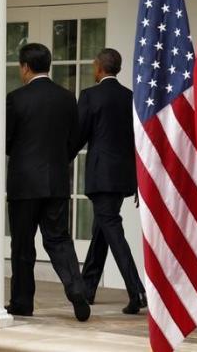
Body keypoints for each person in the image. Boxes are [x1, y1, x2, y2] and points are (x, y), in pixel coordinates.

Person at [5, 43, 90, 322]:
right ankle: (76, 288)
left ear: (25, 67)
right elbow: (75, 138)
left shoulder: (16, 99)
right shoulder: (66, 98)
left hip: (24, 183)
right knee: (58, 238)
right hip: (56, 181)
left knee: (23, 244)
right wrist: (60, 160)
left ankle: (22, 302)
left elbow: (6, 140)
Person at [72, 48, 147, 314]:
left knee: (111, 229)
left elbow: (79, 134)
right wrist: (138, 178)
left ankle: (137, 290)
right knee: (102, 230)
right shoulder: (130, 97)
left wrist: (61, 158)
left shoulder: (90, 96)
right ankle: (88, 288)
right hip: (122, 175)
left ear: (99, 67)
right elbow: (138, 139)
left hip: (101, 176)